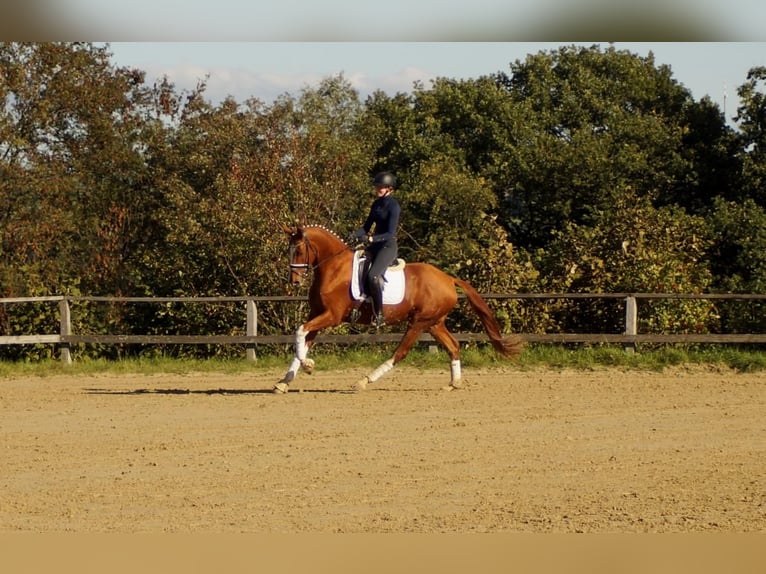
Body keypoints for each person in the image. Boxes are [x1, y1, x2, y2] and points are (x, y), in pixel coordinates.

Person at [349, 171, 401, 329]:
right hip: (375, 246)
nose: (378, 189)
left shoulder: (394, 206)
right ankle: (360, 307)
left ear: (389, 188)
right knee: (358, 269)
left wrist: (372, 239)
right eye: (377, 186)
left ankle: (379, 315)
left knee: (373, 276)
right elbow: (366, 227)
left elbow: (390, 233)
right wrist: (353, 235)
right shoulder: (376, 204)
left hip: (387, 246)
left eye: (381, 187)